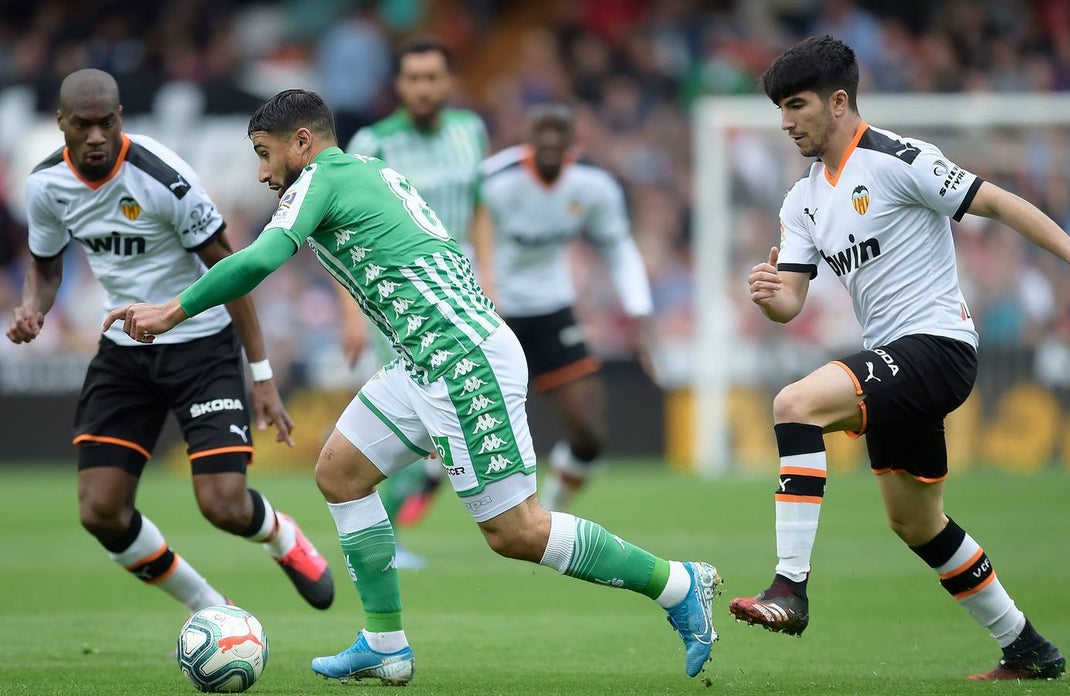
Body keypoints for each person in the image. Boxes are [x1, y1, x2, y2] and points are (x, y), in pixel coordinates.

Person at [102, 89, 719, 683]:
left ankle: (676, 585)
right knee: (340, 474)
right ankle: (384, 646)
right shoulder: (366, 169)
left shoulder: (321, 179)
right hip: (423, 360)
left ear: (301, 141)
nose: (262, 173)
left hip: (464, 359)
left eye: (265, 154)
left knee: (517, 532)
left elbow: (259, 260)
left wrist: (171, 310)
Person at [726, 36, 1070, 680]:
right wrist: (769, 295)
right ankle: (1028, 647)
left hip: (939, 347)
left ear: (839, 102)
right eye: (781, 108)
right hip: (894, 359)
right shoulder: (802, 199)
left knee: (794, 404)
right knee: (916, 523)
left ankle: (790, 586)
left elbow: (999, 203)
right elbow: (792, 303)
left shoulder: (899, 159)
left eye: (797, 105)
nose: (786, 121)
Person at [7, 69, 334, 618]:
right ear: (60, 122)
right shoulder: (44, 186)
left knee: (223, 505)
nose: (95, 137)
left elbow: (233, 271)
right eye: (82, 125)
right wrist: (33, 309)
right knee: (100, 510)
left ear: (120, 120)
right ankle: (210, 608)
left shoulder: (163, 178)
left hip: (200, 346)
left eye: (106, 123)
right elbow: (44, 272)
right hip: (123, 350)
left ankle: (283, 537)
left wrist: (261, 376)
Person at [339, 35, 492, 568]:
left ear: (448, 82)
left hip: (465, 297)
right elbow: (340, 229)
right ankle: (388, 530)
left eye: (433, 77)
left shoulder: (471, 131)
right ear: (398, 85)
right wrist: (351, 317)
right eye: (414, 78)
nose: (424, 88)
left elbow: (479, 209)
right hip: (403, 305)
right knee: (423, 418)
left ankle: (395, 516)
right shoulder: (372, 143)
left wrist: (488, 281)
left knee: (444, 421)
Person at [479, 101, 654, 512]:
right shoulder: (493, 183)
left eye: (562, 132)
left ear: (574, 139)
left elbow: (618, 248)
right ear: (529, 137)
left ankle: (551, 511)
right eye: (544, 131)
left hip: (551, 309)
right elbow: (461, 239)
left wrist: (639, 315)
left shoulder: (593, 186)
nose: (553, 140)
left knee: (590, 432)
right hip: (493, 313)